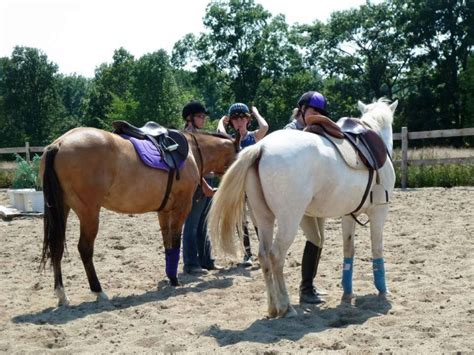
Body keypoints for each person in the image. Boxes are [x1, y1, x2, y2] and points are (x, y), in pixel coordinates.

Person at [284, 91, 329, 304]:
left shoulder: (315, 133)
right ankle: (305, 289)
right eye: (313, 110)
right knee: (315, 238)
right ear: (301, 110)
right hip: (296, 196)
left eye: (320, 112)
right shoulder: (290, 132)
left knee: (321, 239)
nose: (316, 115)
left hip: (315, 196)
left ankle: (309, 286)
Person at [217, 103, 269, 266]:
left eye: (242, 118)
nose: (239, 122)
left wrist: (256, 112)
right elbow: (220, 132)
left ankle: (265, 250)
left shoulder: (253, 136)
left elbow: (265, 127)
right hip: (238, 186)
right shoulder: (230, 141)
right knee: (241, 222)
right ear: (231, 122)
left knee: (257, 219)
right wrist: (221, 121)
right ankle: (247, 254)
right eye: (235, 119)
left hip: (254, 185)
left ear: (247, 120)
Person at [182, 101, 221, 275]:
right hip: (198, 183)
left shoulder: (202, 136)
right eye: (200, 116)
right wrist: (204, 185)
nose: (203, 119)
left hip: (209, 180)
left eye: (204, 116)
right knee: (192, 224)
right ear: (189, 118)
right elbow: (190, 167)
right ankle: (191, 263)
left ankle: (206, 260)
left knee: (203, 224)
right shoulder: (187, 137)